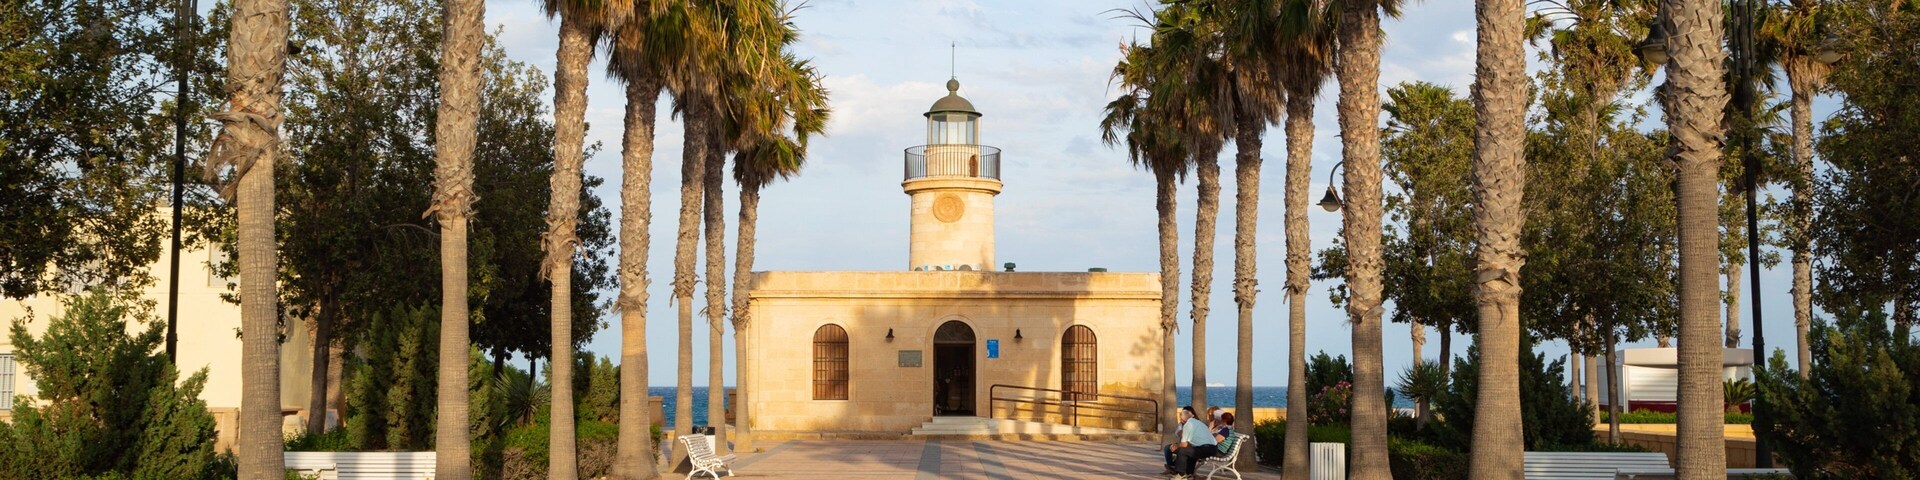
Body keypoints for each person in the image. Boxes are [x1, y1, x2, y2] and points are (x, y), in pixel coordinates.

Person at [1171, 406, 1219, 478]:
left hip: (1206, 448)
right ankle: (1189, 474)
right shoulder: (1198, 422)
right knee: (1190, 451)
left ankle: (1180, 475)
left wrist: (1176, 446)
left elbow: (1184, 444)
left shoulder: (1188, 425)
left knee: (1182, 451)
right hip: (1213, 448)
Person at [1163, 406, 1197, 473]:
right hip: (1182, 443)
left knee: (1181, 451)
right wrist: (1184, 425)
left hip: (1191, 444)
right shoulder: (1181, 424)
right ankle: (1172, 466)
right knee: (1167, 448)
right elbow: (1178, 434)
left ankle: (1177, 469)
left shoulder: (1195, 423)